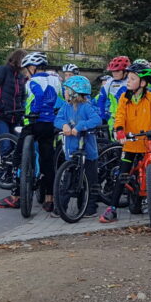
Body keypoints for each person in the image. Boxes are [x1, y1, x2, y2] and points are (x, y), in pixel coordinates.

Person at [100, 62, 151, 223]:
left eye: (132, 78)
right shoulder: (125, 97)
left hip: (147, 143)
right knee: (123, 175)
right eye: (128, 78)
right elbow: (120, 115)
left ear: (143, 83)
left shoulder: (150, 98)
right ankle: (112, 208)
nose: (128, 81)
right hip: (130, 143)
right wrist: (119, 129)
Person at [0, 52, 62, 211]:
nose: (25, 73)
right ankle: (49, 199)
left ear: (33, 67)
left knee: (18, 155)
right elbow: (59, 99)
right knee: (47, 160)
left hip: (33, 123)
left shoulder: (33, 81)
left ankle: (15, 196)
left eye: (26, 70)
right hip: (49, 124)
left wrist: (34, 112)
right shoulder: (56, 80)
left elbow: (37, 96)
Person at [54, 75, 103, 217]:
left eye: (67, 90)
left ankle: (90, 207)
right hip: (72, 151)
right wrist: (64, 125)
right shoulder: (66, 106)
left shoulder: (86, 107)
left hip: (88, 153)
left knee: (90, 180)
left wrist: (80, 126)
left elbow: (96, 120)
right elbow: (58, 119)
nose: (65, 93)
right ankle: (61, 207)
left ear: (75, 92)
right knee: (69, 179)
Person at [97, 56, 130, 133]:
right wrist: (102, 117)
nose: (114, 74)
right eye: (113, 71)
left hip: (130, 118)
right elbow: (101, 100)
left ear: (125, 71)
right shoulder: (109, 83)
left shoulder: (131, 81)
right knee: (115, 144)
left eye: (117, 71)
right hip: (114, 119)